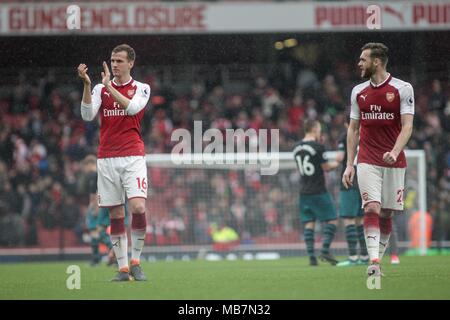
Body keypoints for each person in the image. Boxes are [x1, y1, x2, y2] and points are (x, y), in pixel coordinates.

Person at [78, 44, 151, 281]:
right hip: (107, 157)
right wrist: (88, 86)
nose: (115, 65)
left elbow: (132, 109)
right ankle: (122, 269)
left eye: (119, 61)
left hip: (133, 156)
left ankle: (136, 261)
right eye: (112, 60)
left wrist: (109, 86)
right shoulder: (99, 89)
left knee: (138, 207)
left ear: (131, 63)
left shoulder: (142, 88)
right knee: (116, 215)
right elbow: (87, 115)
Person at [342, 43, 414, 277]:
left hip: (393, 160)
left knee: (387, 213)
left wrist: (394, 151)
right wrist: (349, 164)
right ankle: (373, 263)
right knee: (372, 207)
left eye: (363, 59)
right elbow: (353, 130)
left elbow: (407, 126)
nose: (359, 63)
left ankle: (377, 259)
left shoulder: (402, 89)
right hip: (367, 159)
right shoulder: (358, 92)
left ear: (376, 62)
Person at [293, 119, 341, 266]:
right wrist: (338, 162)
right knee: (332, 219)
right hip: (318, 190)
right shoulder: (319, 146)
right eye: (319, 128)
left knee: (309, 222)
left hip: (303, 191)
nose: (320, 131)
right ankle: (325, 250)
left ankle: (312, 257)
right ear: (314, 129)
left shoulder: (296, 147)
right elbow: (326, 167)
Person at [81, 154, 129, 267]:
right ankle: (112, 257)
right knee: (106, 231)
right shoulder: (106, 172)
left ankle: (111, 254)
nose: (85, 169)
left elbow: (95, 192)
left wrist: (94, 206)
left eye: (85, 166)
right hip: (116, 202)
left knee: (98, 230)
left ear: (89, 164)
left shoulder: (94, 175)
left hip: (103, 204)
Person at [336, 127, 369, 267]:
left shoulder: (345, 135)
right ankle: (365, 255)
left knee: (349, 220)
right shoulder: (367, 132)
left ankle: (353, 257)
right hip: (364, 180)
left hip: (349, 181)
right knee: (360, 221)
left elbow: (339, 157)